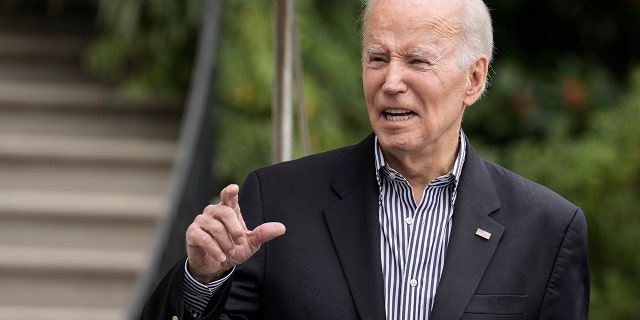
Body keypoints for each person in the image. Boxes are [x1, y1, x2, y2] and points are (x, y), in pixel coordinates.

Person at [141, 0, 590, 318]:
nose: (391, 81)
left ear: (473, 79)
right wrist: (201, 281)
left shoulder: (548, 229)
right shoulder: (275, 201)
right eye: (377, 58)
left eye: (417, 60)